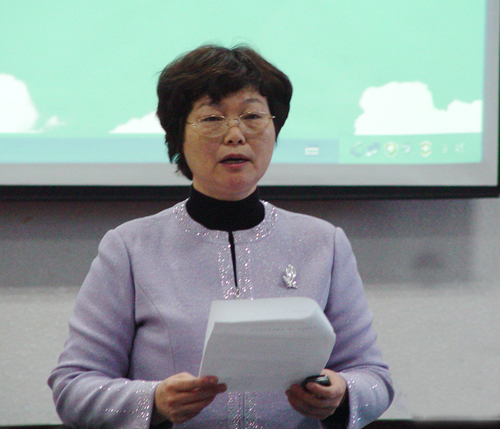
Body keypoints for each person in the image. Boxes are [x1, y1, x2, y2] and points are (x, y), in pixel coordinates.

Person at [48, 44, 394, 429]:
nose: (235, 135)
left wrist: (342, 392)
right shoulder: (130, 248)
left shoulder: (324, 243)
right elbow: (73, 387)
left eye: (252, 116)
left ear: (275, 130)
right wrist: (154, 401)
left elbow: (373, 377)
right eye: (212, 118)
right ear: (178, 137)